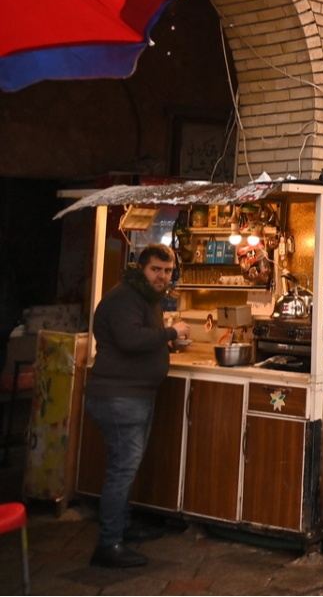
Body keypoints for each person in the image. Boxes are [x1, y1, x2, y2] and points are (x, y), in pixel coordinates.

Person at [86, 244, 190, 569]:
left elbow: (140, 336)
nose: (162, 276)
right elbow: (129, 340)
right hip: (119, 397)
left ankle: (123, 527)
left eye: (168, 271)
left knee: (126, 466)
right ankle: (109, 544)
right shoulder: (125, 297)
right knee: (122, 469)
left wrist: (163, 340)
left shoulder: (144, 297)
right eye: (156, 269)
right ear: (140, 268)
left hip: (134, 395)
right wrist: (170, 331)